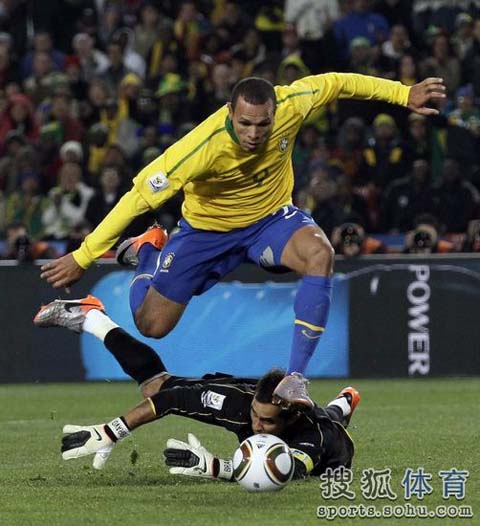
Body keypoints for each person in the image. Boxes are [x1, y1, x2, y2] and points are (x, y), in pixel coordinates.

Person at [39, 72, 446, 400]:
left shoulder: (294, 102)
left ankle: (295, 378)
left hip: (270, 220)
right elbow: (136, 199)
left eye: (263, 124)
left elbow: (339, 83)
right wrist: (84, 255)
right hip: (206, 234)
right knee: (152, 325)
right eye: (245, 123)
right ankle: (148, 251)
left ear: (275, 111)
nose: (254, 133)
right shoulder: (198, 147)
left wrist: (402, 93)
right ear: (230, 111)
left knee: (320, 253)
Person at [33, 295, 360, 479]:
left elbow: (279, 472)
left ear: (287, 420)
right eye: (257, 417)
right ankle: (90, 315)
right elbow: (170, 400)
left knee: (331, 418)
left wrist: (213, 467)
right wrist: (112, 431)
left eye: (267, 422)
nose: (257, 426)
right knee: (158, 388)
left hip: (334, 447)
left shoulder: (311, 440)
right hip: (249, 391)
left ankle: (345, 401)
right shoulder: (241, 406)